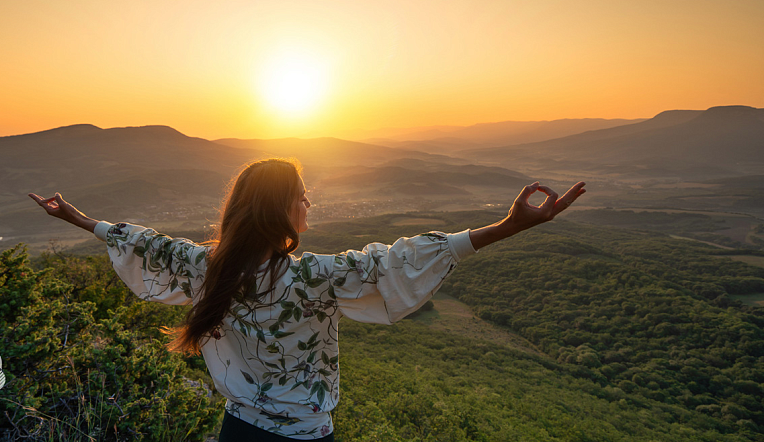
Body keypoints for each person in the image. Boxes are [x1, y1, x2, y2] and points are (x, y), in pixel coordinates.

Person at [29, 158, 585, 441]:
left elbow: (145, 242)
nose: (308, 202)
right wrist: (507, 228)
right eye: (301, 196)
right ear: (281, 211)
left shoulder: (208, 267)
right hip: (302, 438)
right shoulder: (315, 278)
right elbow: (399, 259)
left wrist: (77, 217)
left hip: (237, 431)